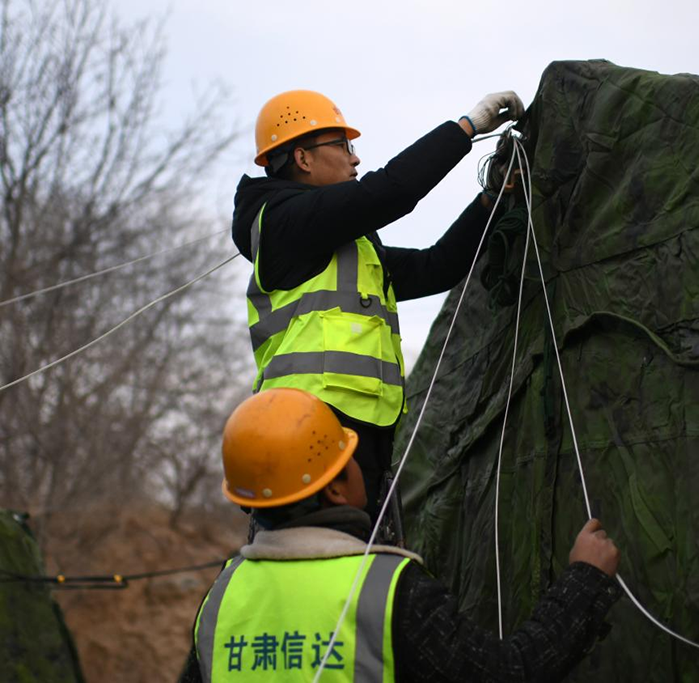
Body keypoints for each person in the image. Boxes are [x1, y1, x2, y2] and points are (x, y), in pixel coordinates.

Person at [178, 388, 622, 682]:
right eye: (349, 459)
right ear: (335, 487)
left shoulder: (223, 594)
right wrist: (585, 579)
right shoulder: (388, 588)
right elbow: (511, 672)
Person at [233, 89, 525, 535]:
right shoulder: (281, 223)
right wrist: (465, 129)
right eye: (343, 145)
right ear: (303, 158)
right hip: (303, 435)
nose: (355, 158)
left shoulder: (354, 253)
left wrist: (492, 197)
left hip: (362, 439)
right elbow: (390, 191)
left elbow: (437, 266)